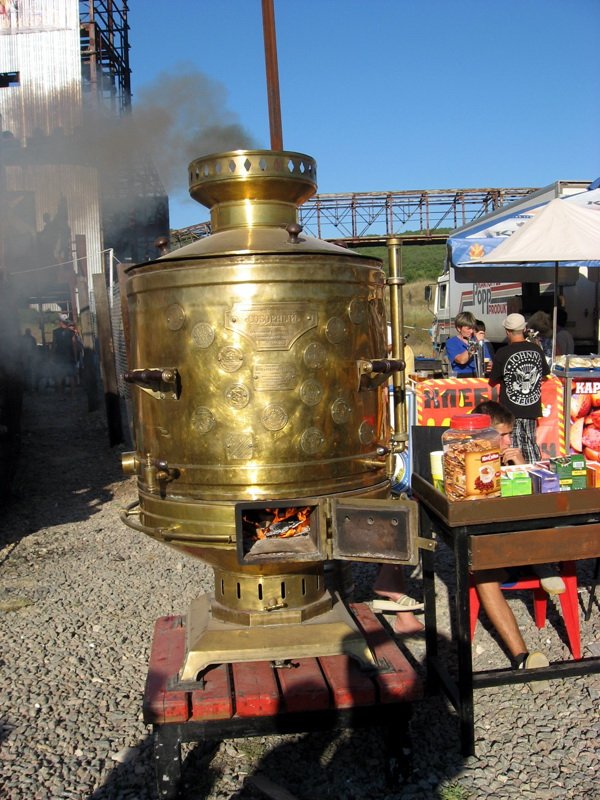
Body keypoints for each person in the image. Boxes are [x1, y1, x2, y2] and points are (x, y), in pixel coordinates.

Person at [470, 400, 564, 670]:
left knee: (529, 520)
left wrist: (523, 469)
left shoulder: (514, 460)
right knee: (484, 573)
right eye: (502, 435)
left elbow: (546, 505)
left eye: (509, 434)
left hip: (527, 544)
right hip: (496, 552)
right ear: (483, 435)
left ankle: (542, 564)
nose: (509, 440)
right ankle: (522, 657)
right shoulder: (468, 462)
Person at [489, 313, 550, 463]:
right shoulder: (536, 349)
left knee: (511, 446)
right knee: (530, 444)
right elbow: (545, 374)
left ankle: (513, 475)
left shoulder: (502, 353)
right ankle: (534, 474)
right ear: (524, 329)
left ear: (507, 332)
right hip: (531, 407)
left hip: (510, 408)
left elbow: (493, 380)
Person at [444, 311, 480, 377]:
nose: (471, 331)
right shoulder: (451, 342)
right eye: (468, 329)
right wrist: (474, 345)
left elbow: (487, 360)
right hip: (461, 376)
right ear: (459, 328)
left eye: (472, 328)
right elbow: (461, 360)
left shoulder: (477, 340)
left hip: (478, 375)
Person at [51, 316, 77, 396]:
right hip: (69, 356)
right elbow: (74, 345)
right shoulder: (71, 332)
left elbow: (54, 345)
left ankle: (61, 393)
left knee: (59, 375)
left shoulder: (55, 332)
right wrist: (75, 357)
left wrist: (52, 356)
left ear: (61, 322)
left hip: (59, 357)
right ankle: (72, 394)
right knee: (71, 375)